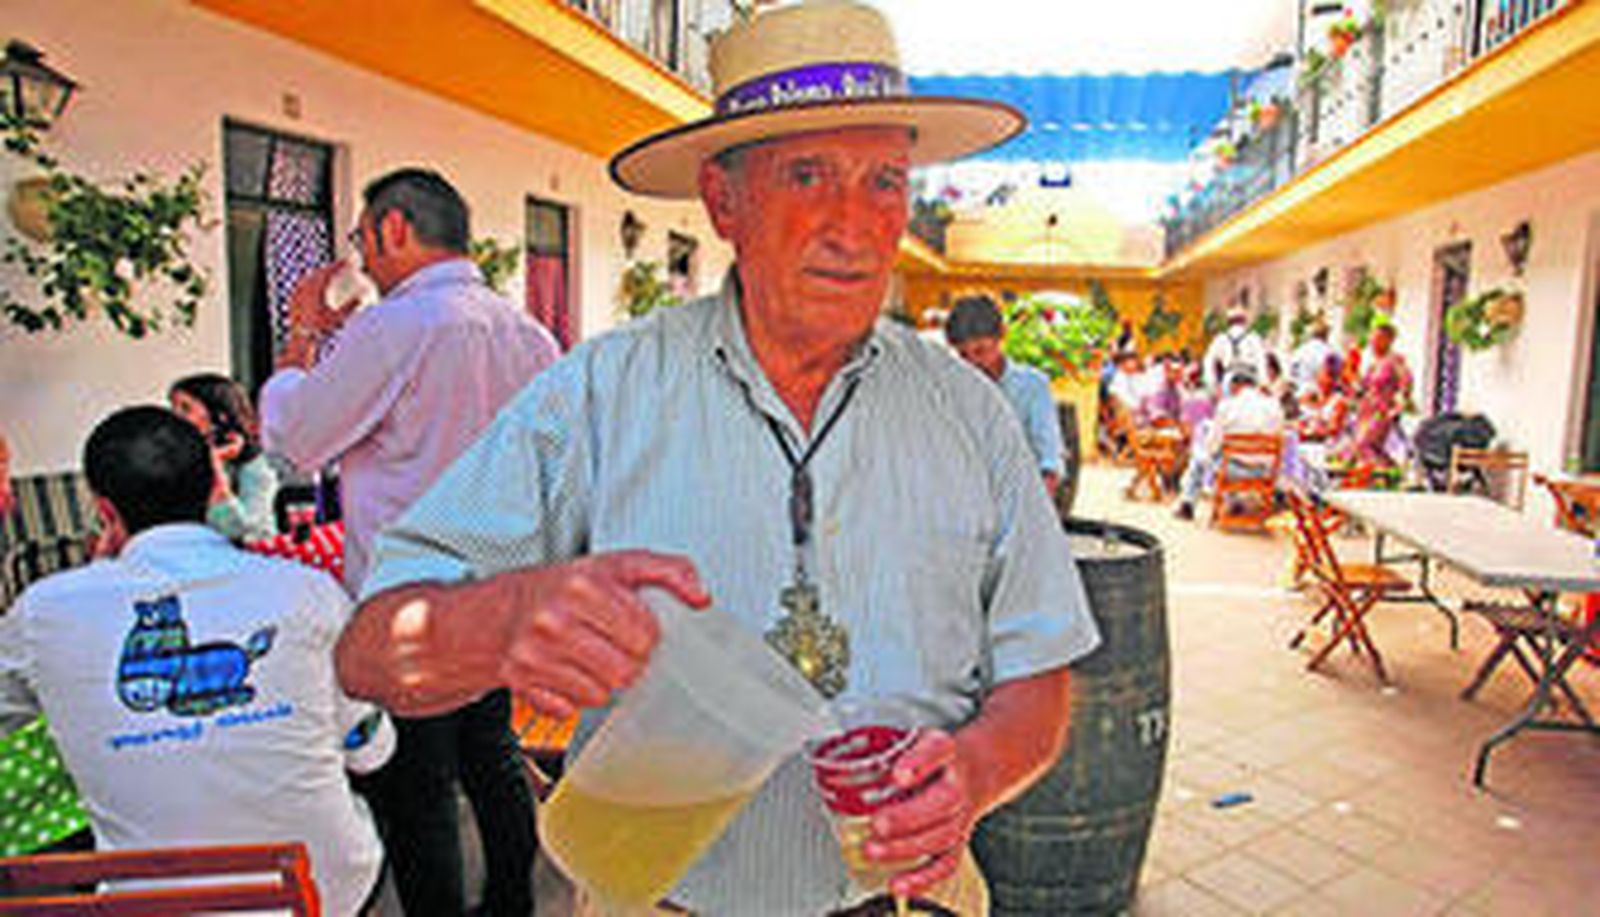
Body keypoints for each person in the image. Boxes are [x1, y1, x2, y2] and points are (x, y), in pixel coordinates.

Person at [335, 3, 1101, 914]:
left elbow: (1040, 674)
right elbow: (371, 649)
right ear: (723, 199)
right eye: (808, 175)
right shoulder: (603, 394)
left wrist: (974, 769)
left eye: (885, 181)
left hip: (911, 900)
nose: (855, 227)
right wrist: (502, 618)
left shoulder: (971, 414)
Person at [260, 168, 558, 916]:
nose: (364, 257)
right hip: (498, 588)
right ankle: (512, 904)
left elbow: (295, 442)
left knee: (418, 786)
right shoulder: (529, 333)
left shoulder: (396, 326)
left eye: (362, 239)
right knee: (491, 754)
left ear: (394, 228)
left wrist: (302, 339)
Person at [0, 407, 391, 915]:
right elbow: (371, 750)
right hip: (322, 892)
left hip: (153, 902)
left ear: (104, 511)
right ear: (213, 487)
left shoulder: (43, 613)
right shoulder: (309, 592)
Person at [945, 294, 1066, 495]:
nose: (973, 363)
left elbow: (1049, 458)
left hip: (1021, 495)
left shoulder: (1032, 386)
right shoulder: (953, 388)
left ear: (1002, 335)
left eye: (981, 351)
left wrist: (1036, 498)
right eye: (963, 355)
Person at [169, 373, 280, 542]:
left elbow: (238, 529)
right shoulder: (182, 458)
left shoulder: (256, 467)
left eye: (186, 408)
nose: (175, 416)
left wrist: (215, 465)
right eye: (173, 407)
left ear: (220, 416)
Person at [1175, 366, 1285, 520]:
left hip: (1232, 470)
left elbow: (1212, 445)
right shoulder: (1274, 406)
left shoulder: (1227, 406)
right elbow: (1280, 435)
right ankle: (1232, 501)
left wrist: (1207, 449)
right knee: (1222, 456)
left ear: (1235, 386)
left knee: (1201, 456)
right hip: (1265, 470)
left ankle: (1188, 503)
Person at [1340, 320, 1413, 468]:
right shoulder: (1374, 363)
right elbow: (1363, 386)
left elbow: (1406, 382)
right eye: (1372, 338)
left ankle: (1388, 470)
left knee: (1364, 444)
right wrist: (1352, 382)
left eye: (1377, 339)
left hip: (1381, 410)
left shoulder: (1395, 360)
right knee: (1365, 448)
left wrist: (1399, 403)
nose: (1372, 342)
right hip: (1366, 409)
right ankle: (1386, 473)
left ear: (1388, 340)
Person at [1201, 302, 1267, 393]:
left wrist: (1211, 381)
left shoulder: (1221, 338)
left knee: (1227, 401)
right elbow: (1261, 360)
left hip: (1229, 379)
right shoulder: (1253, 337)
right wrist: (1263, 381)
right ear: (1244, 321)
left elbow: (1208, 359)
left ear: (1229, 322)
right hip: (1250, 377)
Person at [1288, 316, 1335, 397]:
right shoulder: (1328, 351)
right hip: (1315, 395)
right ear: (1326, 334)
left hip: (1296, 393)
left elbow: (1291, 375)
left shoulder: (1299, 350)